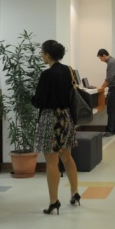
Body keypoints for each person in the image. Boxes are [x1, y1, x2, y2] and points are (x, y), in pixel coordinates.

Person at [32, 40, 81, 215]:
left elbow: (39, 101)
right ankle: (75, 192)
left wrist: (32, 98)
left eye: (42, 52)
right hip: (66, 117)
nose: (41, 55)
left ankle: (54, 201)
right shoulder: (68, 70)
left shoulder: (47, 75)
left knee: (52, 161)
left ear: (48, 55)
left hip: (50, 118)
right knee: (67, 157)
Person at [97, 48, 115, 137]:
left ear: (104, 55)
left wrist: (101, 87)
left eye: (100, 58)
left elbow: (109, 79)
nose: (101, 60)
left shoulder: (111, 62)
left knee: (111, 109)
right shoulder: (112, 61)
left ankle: (109, 130)